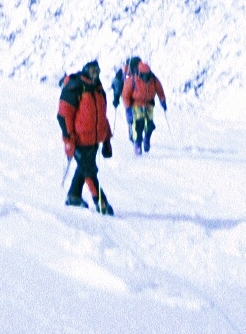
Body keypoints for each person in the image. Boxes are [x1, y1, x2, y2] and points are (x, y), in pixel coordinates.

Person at [57, 60, 114, 214]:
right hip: (79, 140)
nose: (95, 73)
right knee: (89, 171)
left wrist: (107, 139)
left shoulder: (98, 88)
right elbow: (63, 116)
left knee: (84, 168)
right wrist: (69, 139)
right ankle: (101, 203)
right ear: (86, 70)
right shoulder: (76, 87)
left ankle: (74, 196)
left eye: (98, 70)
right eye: (92, 70)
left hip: (94, 140)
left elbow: (102, 116)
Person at [125, 60, 167, 155]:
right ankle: (138, 143)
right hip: (137, 104)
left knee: (150, 124)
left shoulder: (153, 79)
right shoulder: (132, 80)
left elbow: (160, 90)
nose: (145, 77)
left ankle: (147, 138)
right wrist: (128, 108)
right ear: (139, 72)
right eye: (143, 75)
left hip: (149, 104)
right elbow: (126, 94)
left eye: (147, 75)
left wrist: (162, 100)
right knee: (138, 124)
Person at [110, 55, 141, 133]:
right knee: (135, 113)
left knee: (130, 112)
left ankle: (132, 129)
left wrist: (116, 97)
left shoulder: (122, 71)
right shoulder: (138, 71)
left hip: (127, 96)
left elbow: (116, 84)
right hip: (134, 96)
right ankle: (134, 130)